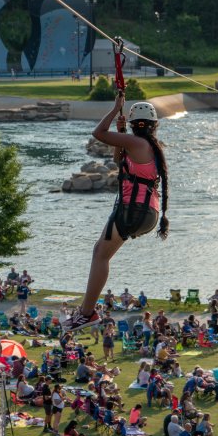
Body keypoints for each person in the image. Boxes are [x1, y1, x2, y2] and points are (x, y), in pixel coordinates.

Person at [64, 94, 170, 332]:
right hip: (146, 212)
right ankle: (86, 312)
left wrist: (114, 110)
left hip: (133, 209)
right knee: (100, 252)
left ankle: (87, 313)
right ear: (155, 126)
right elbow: (116, 160)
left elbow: (98, 133)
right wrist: (120, 134)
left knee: (100, 254)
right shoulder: (150, 147)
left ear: (134, 125)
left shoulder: (137, 144)